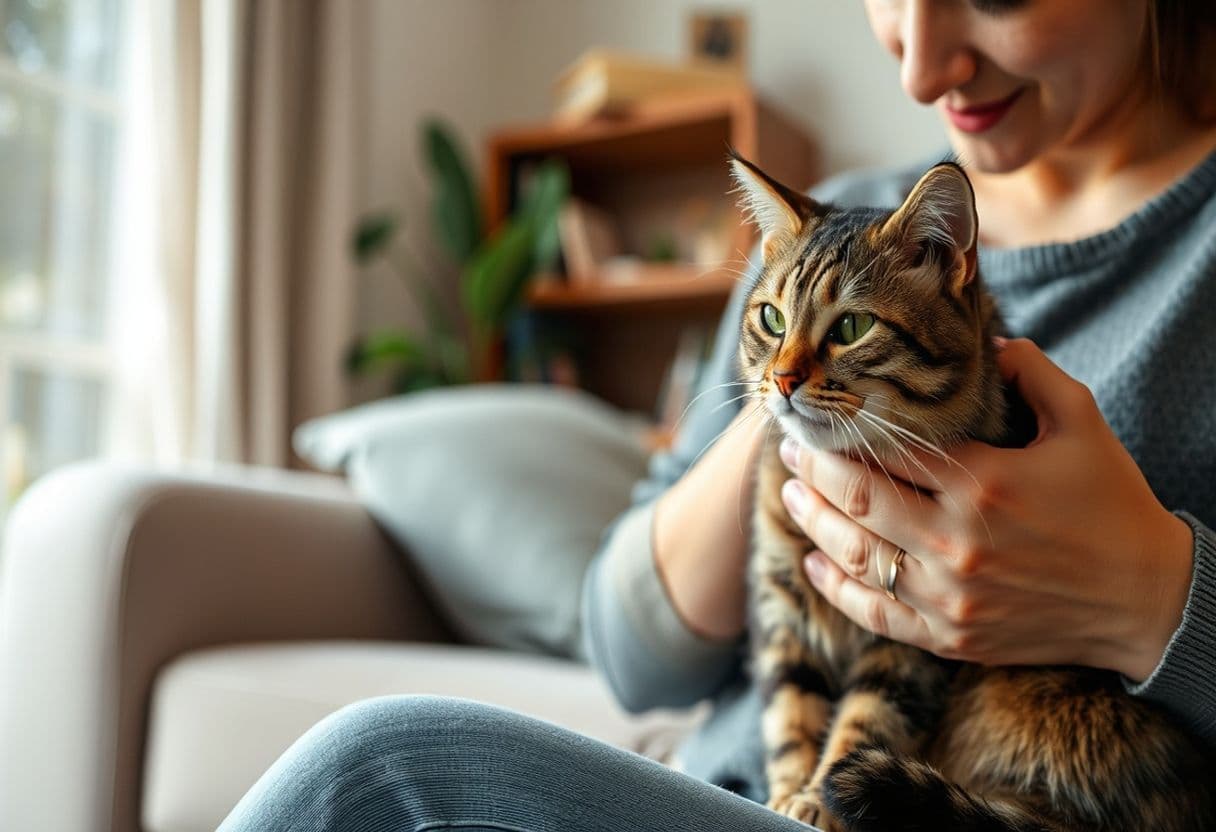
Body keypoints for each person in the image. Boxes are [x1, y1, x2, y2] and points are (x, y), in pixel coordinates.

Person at [219, 2, 1216, 829]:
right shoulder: (824, 222)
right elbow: (626, 647)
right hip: (731, 789)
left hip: (990, 797)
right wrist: (784, 406)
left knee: (381, 773)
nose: (918, 69)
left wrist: (1151, 597)